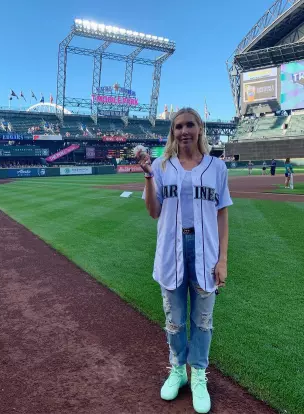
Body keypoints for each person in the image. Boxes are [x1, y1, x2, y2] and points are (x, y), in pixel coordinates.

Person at [138, 108, 232, 414]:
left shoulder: (216, 167)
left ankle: (199, 375)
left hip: (205, 250)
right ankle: (178, 369)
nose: (184, 131)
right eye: (178, 126)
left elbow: (222, 213)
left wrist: (223, 259)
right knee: (175, 320)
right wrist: (150, 178)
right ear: (173, 132)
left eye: (190, 124)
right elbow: (153, 211)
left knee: (203, 322)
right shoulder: (161, 166)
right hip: (171, 248)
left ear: (200, 128)